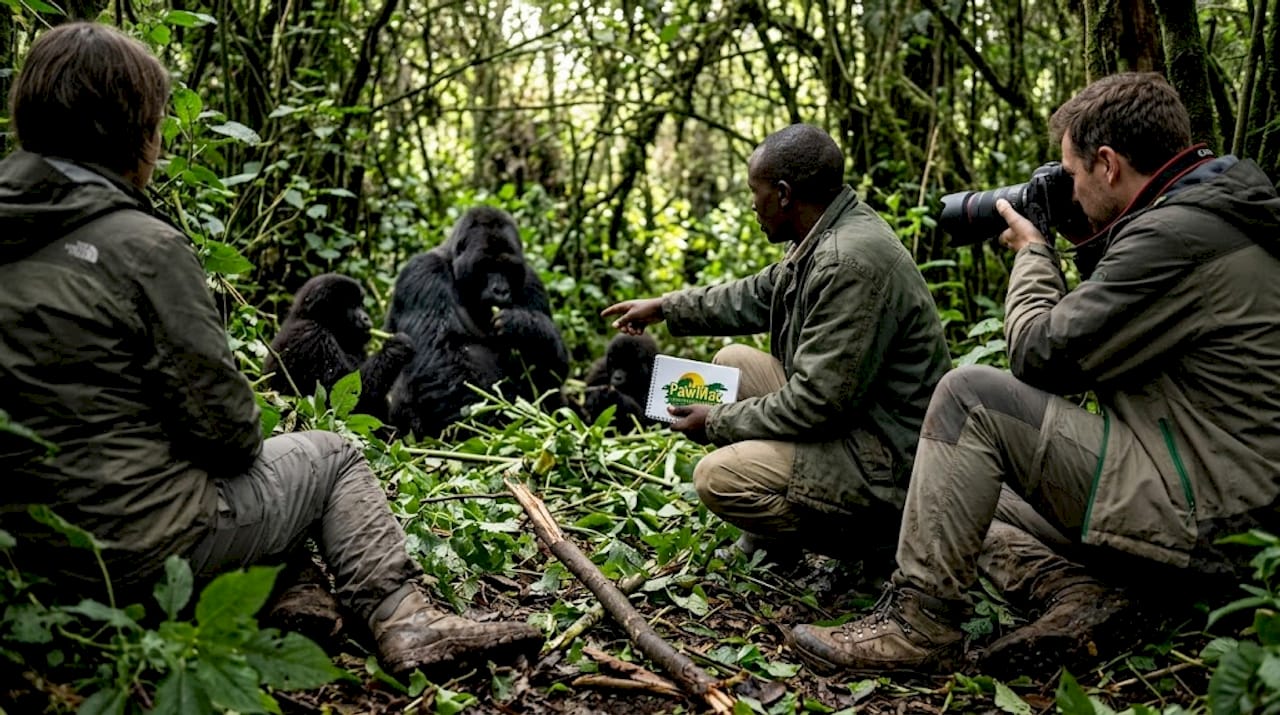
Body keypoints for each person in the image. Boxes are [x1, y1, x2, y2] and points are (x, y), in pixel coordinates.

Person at [0, 22, 542, 677]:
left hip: (18, 561)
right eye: (158, 127)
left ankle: (296, 595)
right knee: (329, 454)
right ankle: (407, 618)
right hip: (124, 556)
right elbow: (229, 434)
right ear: (138, 135)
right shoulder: (144, 247)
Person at [789, 72, 1280, 675]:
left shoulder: (1176, 235)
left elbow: (1039, 357)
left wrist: (1033, 253)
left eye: (1071, 175)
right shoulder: (1212, 213)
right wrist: (1089, 238)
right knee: (956, 487)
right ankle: (1082, 597)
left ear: (1107, 164)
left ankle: (917, 630)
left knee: (971, 399)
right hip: (1224, 493)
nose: (1068, 189)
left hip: (1212, 513)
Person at [602, 124, 951, 567]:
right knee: (733, 364)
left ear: (784, 194)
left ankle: (874, 547)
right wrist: (666, 308)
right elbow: (755, 294)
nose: (752, 203)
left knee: (718, 478)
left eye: (756, 190)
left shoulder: (847, 262)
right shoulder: (826, 231)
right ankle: (774, 543)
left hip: (889, 463)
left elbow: (815, 404)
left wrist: (717, 421)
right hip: (861, 423)